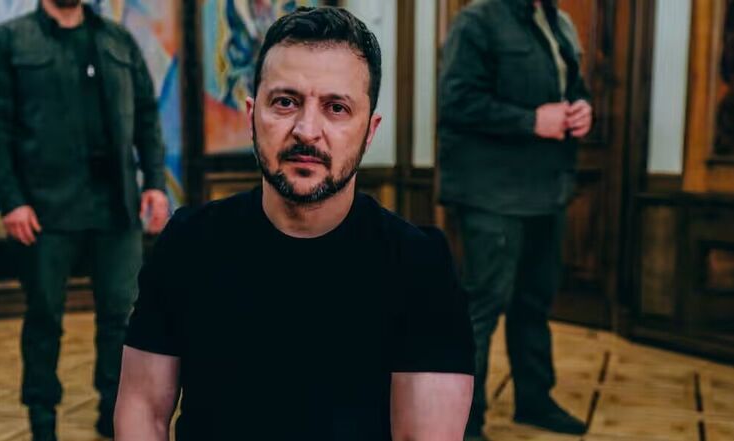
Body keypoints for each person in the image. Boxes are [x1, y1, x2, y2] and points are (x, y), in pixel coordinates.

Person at [114, 7, 475, 441]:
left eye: (336, 108)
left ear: (369, 130)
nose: (307, 130)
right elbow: (143, 411)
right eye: (285, 102)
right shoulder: (189, 243)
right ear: (252, 115)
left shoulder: (420, 266)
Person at [0, 0, 169, 439]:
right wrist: (11, 201)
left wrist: (155, 182)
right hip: (44, 211)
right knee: (44, 318)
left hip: (117, 208)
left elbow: (146, 116)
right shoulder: (10, 42)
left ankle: (113, 411)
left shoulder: (117, 40)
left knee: (122, 317)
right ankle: (42, 417)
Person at [437, 0, 594, 439]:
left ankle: (535, 400)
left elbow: (572, 87)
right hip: (492, 193)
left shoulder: (559, 22)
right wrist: (531, 121)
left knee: (534, 303)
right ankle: (465, 424)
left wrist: (582, 107)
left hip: (548, 189)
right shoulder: (477, 21)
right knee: (482, 310)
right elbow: (456, 102)